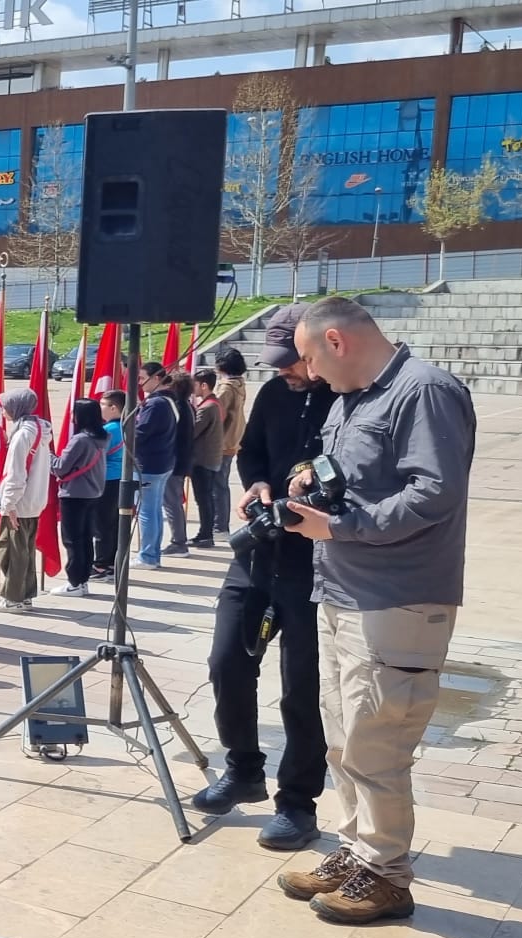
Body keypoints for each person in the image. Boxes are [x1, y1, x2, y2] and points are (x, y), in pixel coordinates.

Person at [276, 297, 476, 925]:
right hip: (342, 590)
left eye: (309, 358)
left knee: (378, 739)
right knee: (344, 737)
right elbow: (352, 473)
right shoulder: (349, 399)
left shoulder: (425, 392)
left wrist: (342, 528)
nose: (307, 373)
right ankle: (355, 853)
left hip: (399, 596)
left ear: (336, 340)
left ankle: (387, 875)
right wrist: (310, 476)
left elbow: (433, 494)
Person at [193, 304, 338, 851]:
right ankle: (243, 768)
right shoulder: (276, 395)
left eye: (292, 364)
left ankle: (298, 802)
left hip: (314, 564)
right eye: (276, 366)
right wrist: (255, 485)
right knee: (227, 659)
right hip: (257, 552)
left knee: (300, 686)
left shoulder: (346, 397)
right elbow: (249, 454)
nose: (285, 374)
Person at [0, 387, 51, 610]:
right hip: (35, 499)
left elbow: (16, 473)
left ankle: (13, 598)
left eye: (6, 406)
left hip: (20, 501)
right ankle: (25, 595)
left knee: (11, 551)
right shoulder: (40, 429)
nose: (3, 410)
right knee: (25, 550)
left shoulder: (22, 435)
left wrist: (8, 504)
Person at [52, 398, 107, 596]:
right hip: (93, 492)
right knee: (85, 538)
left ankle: (74, 582)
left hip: (74, 494)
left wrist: (47, 455)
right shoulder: (102, 437)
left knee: (72, 539)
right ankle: (82, 580)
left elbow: (60, 468)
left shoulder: (80, 440)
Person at [131, 368, 179, 568]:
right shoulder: (168, 401)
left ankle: (149, 555)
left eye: (143, 378)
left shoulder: (155, 404)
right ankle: (152, 552)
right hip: (162, 462)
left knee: (147, 511)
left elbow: (140, 434)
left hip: (149, 464)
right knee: (153, 510)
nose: (140, 382)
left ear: (156, 378)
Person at [161, 370, 198, 556]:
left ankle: (179, 542)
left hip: (175, 460)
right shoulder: (187, 406)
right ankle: (179, 540)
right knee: (173, 501)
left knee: (171, 502)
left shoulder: (177, 408)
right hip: (183, 459)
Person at [213, 347, 248, 535]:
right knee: (221, 483)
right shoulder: (239, 383)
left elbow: (216, 414)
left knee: (217, 485)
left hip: (222, 440)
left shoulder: (226, 388)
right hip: (233, 438)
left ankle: (219, 525)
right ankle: (220, 524)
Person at [92, 390, 127, 581]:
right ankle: (112, 562)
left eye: (103, 405)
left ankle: (101, 565)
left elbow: (95, 454)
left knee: (102, 524)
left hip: (106, 479)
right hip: (119, 478)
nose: (100, 408)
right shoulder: (126, 425)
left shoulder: (109, 430)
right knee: (113, 523)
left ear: (114, 408)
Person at [187, 372, 223, 548]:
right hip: (211, 458)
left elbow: (193, 431)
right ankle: (205, 533)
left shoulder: (207, 407)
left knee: (203, 499)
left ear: (204, 385)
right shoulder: (214, 403)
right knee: (206, 498)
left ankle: (205, 534)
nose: (193, 389)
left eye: (195, 385)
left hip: (203, 460)